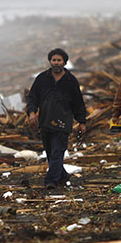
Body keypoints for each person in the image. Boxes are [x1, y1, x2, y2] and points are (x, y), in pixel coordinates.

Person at [26, 48, 87, 189]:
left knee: (57, 153)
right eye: (54, 60)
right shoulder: (42, 79)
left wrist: (82, 122)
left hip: (63, 123)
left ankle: (51, 181)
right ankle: (63, 176)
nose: (56, 63)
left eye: (59, 60)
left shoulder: (70, 81)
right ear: (50, 62)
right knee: (50, 153)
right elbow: (32, 98)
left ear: (64, 62)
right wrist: (32, 113)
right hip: (45, 122)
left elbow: (78, 103)